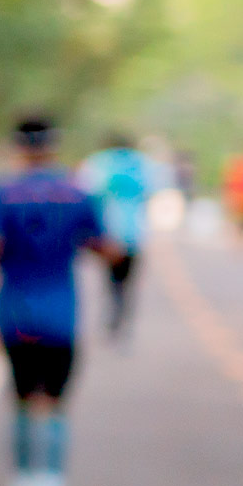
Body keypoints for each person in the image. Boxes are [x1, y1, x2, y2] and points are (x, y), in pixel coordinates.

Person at [0, 116, 118, 486]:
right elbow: (106, 247)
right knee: (55, 407)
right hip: (60, 317)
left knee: (21, 403)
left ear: (18, 147)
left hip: (14, 313)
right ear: (54, 145)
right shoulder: (78, 192)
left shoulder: (1, 192)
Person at [76, 133, 157, 340]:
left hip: (107, 232)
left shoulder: (100, 162)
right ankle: (120, 315)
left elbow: (86, 193)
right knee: (126, 279)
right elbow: (152, 191)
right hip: (134, 233)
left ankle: (113, 315)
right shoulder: (141, 164)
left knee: (110, 277)